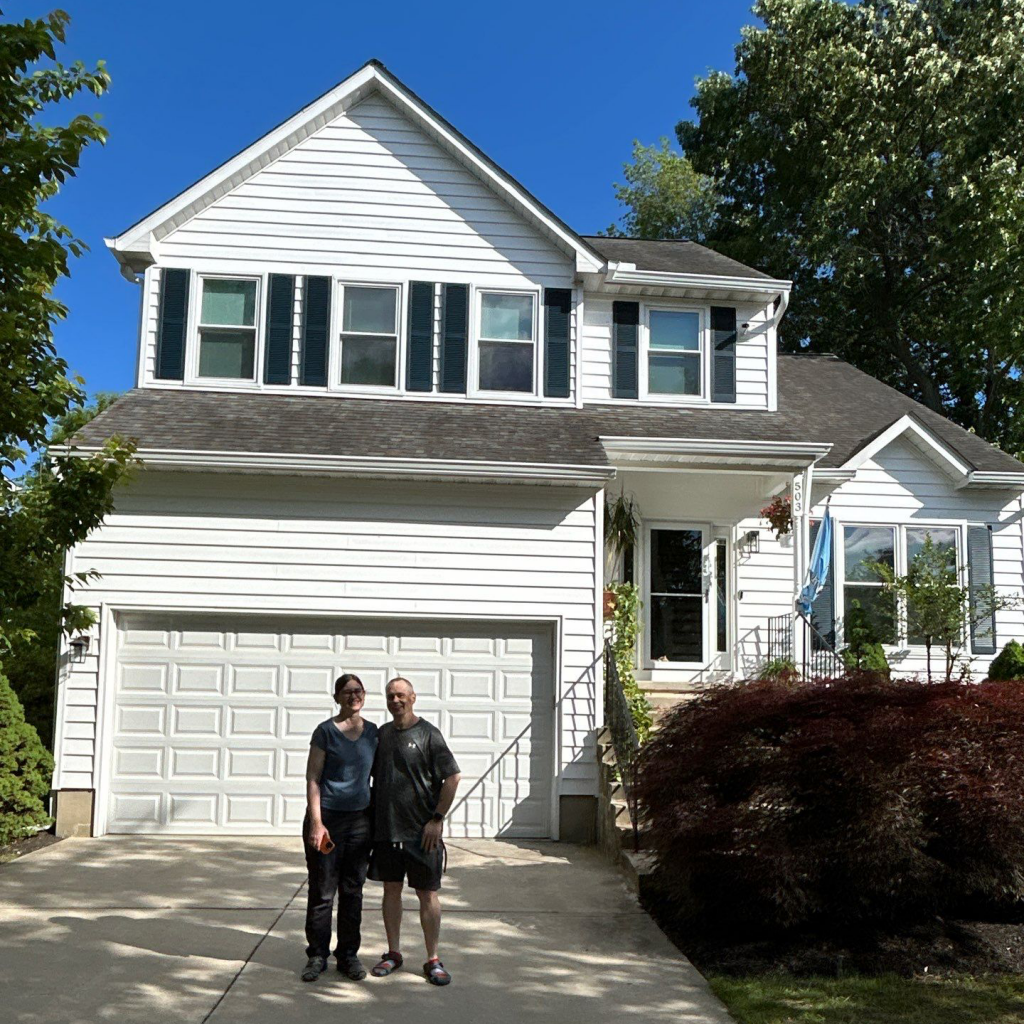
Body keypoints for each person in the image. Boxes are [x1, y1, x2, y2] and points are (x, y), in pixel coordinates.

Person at [368, 676, 462, 986]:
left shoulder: (429, 735)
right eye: (390, 696)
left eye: (401, 695)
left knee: (427, 894)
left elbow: (453, 777)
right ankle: (393, 953)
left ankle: (432, 959)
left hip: (422, 833)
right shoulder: (381, 735)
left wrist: (437, 819)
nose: (395, 701)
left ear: (413, 698)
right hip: (387, 832)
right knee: (391, 890)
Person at [301, 673, 379, 983]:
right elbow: (313, 778)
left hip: (360, 822)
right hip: (327, 820)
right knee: (322, 892)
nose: (353, 696)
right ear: (336, 698)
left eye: (357, 691)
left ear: (364, 695)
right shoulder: (325, 732)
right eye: (346, 692)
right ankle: (317, 955)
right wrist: (317, 823)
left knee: (352, 892)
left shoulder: (374, 733)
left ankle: (348, 954)